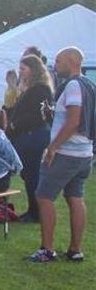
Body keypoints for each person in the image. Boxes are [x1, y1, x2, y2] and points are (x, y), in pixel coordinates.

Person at [29, 47, 93, 263]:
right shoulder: (89, 84)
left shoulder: (73, 85)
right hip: (84, 152)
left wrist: (53, 147)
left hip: (67, 152)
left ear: (72, 61)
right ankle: (75, 250)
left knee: (44, 196)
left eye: (58, 61)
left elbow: (74, 120)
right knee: (75, 197)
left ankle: (47, 250)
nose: (55, 66)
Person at [6, 54, 53, 222]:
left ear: (33, 70)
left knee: (32, 174)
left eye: (23, 69)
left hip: (32, 135)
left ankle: (36, 212)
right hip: (28, 134)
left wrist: (15, 125)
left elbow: (39, 115)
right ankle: (33, 210)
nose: (20, 72)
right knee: (28, 174)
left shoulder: (40, 89)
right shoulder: (31, 88)